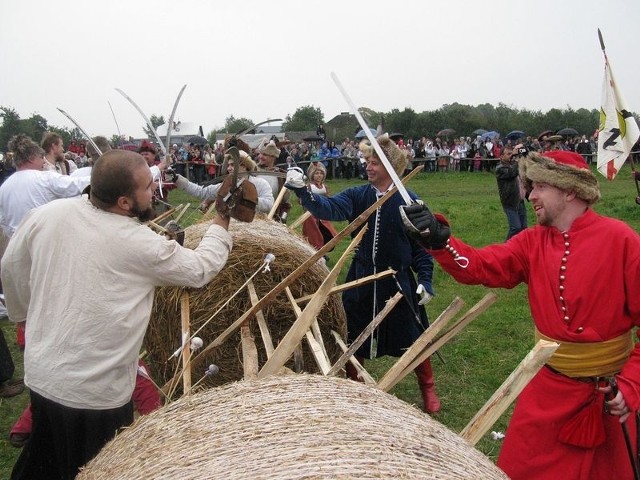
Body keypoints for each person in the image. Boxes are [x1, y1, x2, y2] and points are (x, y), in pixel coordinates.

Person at [401, 150, 640, 479]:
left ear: (569, 190)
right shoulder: (531, 241)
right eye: (530, 186)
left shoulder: (622, 240)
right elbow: (481, 267)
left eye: (539, 186)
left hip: (609, 398)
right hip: (547, 393)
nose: (530, 195)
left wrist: (631, 385)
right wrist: (441, 241)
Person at [2, 149, 232, 479]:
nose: (154, 188)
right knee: (96, 470)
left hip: (42, 375)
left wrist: (22, 313)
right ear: (124, 202)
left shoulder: (46, 214)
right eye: (147, 186)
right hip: (96, 394)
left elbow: (11, 265)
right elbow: (199, 268)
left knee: (46, 461)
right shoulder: (139, 243)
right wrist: (221, 222)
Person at [285, 134, 441, 413]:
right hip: (361, 277)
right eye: (367, 162)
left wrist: (426, 281)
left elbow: (422, 249)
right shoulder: (359, 195)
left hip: (397, 280)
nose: (368, 167)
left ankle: (427, 387)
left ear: (391, 168)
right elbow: (329, 208)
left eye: (375, 164)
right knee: (353, 334)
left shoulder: (410, 201)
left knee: (413, 336)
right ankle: (355, 387)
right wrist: (302, 192)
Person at [170, 149, 274, 214]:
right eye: (228, 165)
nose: (229, 168)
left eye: (232, 165)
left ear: (244, 166)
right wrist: (177, 179)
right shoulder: (225, 186)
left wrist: (244, 198)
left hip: (256, 231)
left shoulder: (261, 184)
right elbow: (201, 192)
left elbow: (269, 205)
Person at [300, 162, 338, 251]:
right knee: (313, 236)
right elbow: (302, 201)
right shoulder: (309, 187)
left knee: (326, 234)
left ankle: (323, 252)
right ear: (312, 175)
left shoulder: (324, 187)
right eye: (316, 173)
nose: (319, 176)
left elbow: (328, 200)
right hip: (311, 217)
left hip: (323, 216)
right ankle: (314, 252)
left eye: (321, 173)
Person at [495, 145, 527, 240]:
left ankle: (520, 249)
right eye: (508, 154)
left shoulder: (513, 164)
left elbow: (526, 154)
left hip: (520, 201)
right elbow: (512, 172)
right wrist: (517, 158)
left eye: (511, 153)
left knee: (524, 228)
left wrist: (523, 151)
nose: (511, 155)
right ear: (501, 156)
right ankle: (505, 249)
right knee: (516, 227)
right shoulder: (500, 168)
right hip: (510, 202)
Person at [258, 139, 290, 222]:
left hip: (271, 219)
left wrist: (283, 218)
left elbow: (285, 203)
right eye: (260, 153)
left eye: (264, 154)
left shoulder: (280, 176)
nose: (260, 157)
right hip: (251, 218)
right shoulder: (252, 171)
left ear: (273, 157)